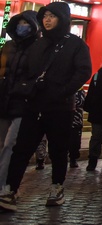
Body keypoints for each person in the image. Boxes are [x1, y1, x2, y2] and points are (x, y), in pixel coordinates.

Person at [1, 2, 91, 210]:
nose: (47, 20)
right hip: (34, 104)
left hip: (60, 106)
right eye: (45, 16)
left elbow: (83, 71)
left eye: (52, 16)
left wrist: (63, 91)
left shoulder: (76, 45)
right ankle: (10, 190)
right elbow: (26, 69)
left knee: (58, 150)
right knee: (21, 149)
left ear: (63, 18)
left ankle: (56, 188)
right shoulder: (38, 44)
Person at [0, 11, 39, 201]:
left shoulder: (37, 48)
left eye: (26, 23)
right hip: (3, 100)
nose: (21, 26)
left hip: (22, 103)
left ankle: (4, 186)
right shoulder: (8, 46)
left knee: (10, 145)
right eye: (19, 22)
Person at [67, 87, 86, 168]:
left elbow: (81, 102)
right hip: (64, 119)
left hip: (76, 120)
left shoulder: (80, 90)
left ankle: (73, 159)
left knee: (75, 141)